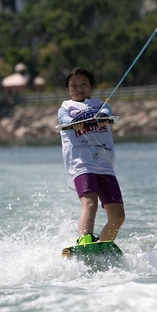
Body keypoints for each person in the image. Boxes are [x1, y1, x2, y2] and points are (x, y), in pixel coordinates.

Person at [57, 67, 125, 245]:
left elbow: (107, 112)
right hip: (82, 164)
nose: (79, 88)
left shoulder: (100, 105)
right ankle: (85, 239)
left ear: (91, 86)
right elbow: (63, 119)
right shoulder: (66, 107)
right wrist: (74, 122)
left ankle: (102, 244)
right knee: (90, 204)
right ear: (68, 90)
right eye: (74, 85)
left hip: (105, 165)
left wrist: (102, 116)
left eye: (83, 84)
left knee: (118, 215)